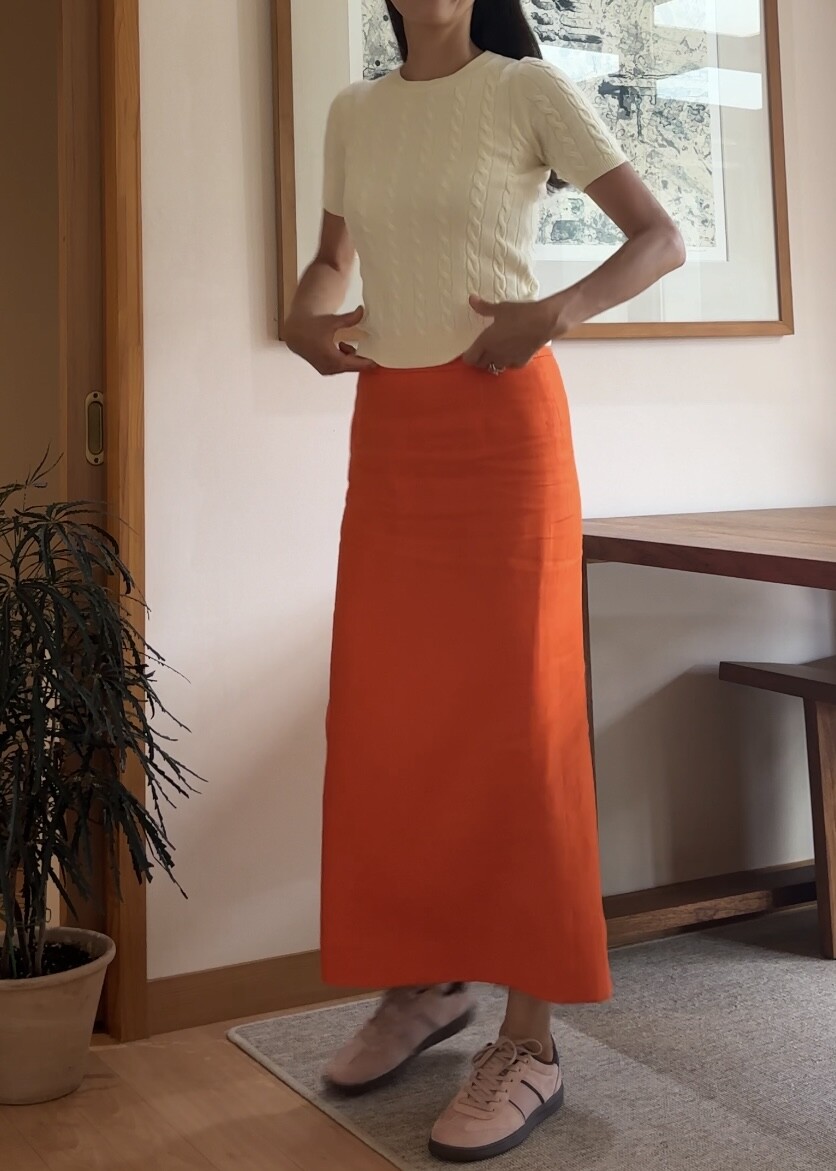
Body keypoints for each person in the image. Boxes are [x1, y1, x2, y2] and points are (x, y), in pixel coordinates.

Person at [285, 0, 685, 1162]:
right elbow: (332, 259)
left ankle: (529, 1040)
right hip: (392, 435)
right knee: (393, 720)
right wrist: (303, 314)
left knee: (518, 725)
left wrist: (553, 312)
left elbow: (654, 237)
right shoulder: (353, 109)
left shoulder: (524, 89)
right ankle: (426, 983)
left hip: (502, 430)